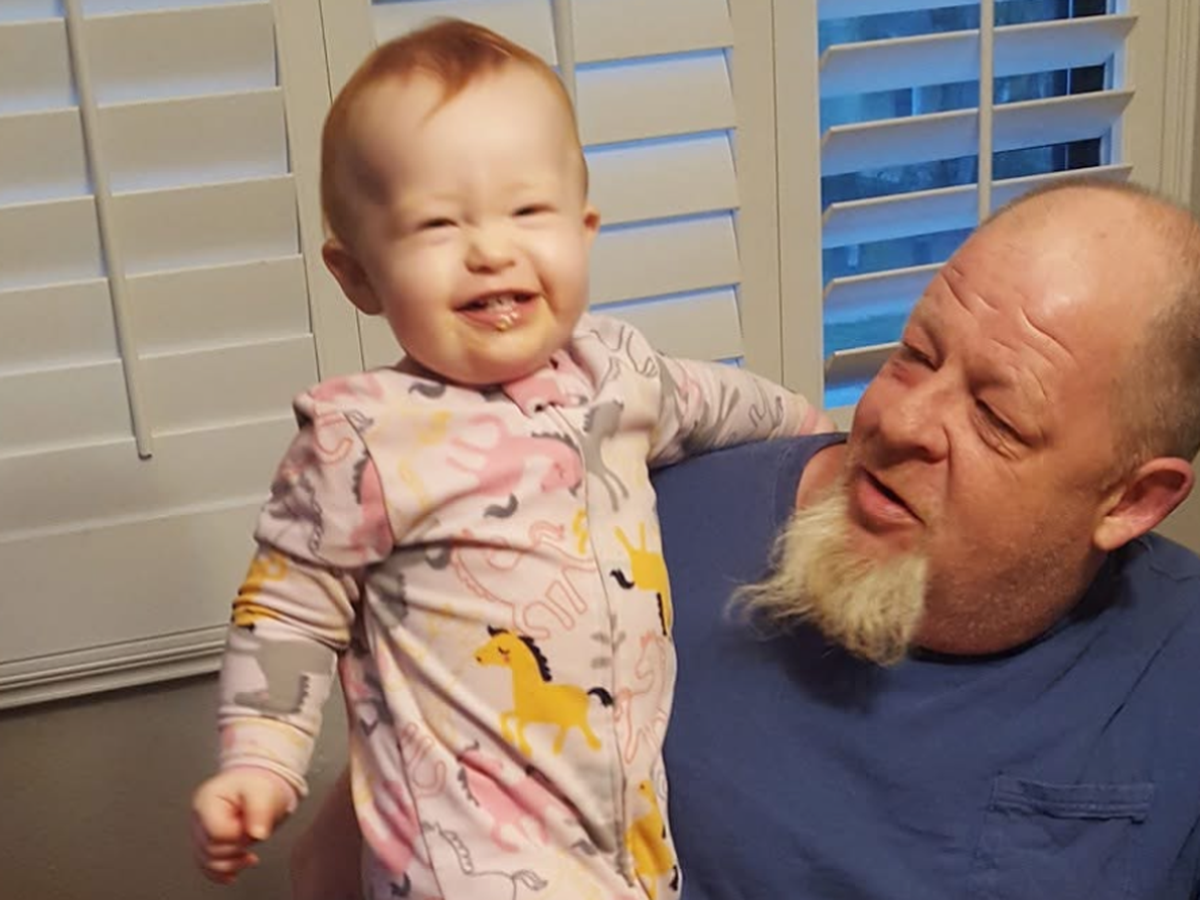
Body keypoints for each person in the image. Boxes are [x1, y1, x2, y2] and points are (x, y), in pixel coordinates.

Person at [291, 178, 1200, 900]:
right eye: (915, 353)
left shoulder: (1177, 675)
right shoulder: (624, 536)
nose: (898, 420)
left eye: (996, 417)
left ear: (1132, 502)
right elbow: (358, 861)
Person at [190, 18, 831, 900]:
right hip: (465, 859)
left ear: (583, 228)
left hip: (631, 844)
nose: (491, 249)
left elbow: (724, 403)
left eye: (528, 211)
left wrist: (819, 431)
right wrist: (259, 760)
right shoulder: (363, 439)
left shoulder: (620, 371)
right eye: (436, 223)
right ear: (358, 275)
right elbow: (288, 610)